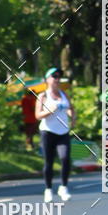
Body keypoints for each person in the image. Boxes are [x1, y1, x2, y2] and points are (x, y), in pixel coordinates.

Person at [35, 67, 76, 203]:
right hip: (48, 132)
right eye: (54, 76)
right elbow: (38, 115)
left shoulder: (64, 94)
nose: (57, 79)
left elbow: (70, 108)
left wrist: (73, 118)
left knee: (65, 158)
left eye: (59, 77)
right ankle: (48, 189)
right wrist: (49, 111)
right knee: (49, 162)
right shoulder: (43, 96)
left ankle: (63, 188)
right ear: (47, 79)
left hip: (63, 132)